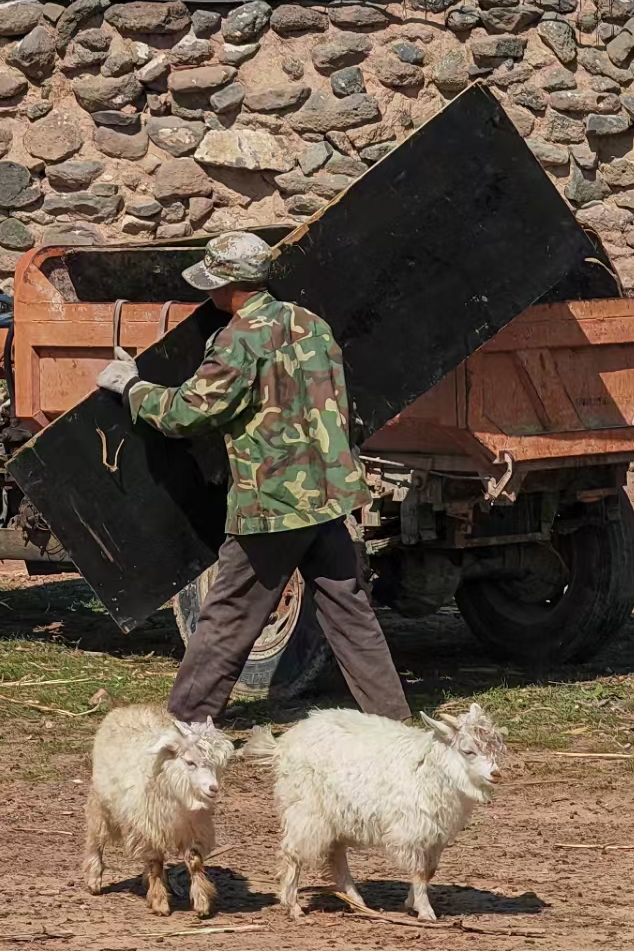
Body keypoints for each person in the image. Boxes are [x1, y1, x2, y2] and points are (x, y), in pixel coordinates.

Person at [95, 230, 411, 724]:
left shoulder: (239, 338)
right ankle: (394, 723)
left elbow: (189, 412)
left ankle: (185, 727)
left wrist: (132, 387)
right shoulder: (311, 324)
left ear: (225, 285)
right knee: (352, 617)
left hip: (272, 506)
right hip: (327, 496)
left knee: (227, 618)